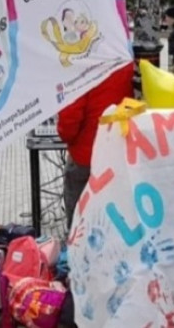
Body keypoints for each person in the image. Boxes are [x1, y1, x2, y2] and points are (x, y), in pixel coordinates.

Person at [57, 64, 134, 227]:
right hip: (118, 153)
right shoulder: (126, 62)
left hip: (85, 157)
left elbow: (69, 121)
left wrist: (67, 137)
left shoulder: (81, 67)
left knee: (80, 220)